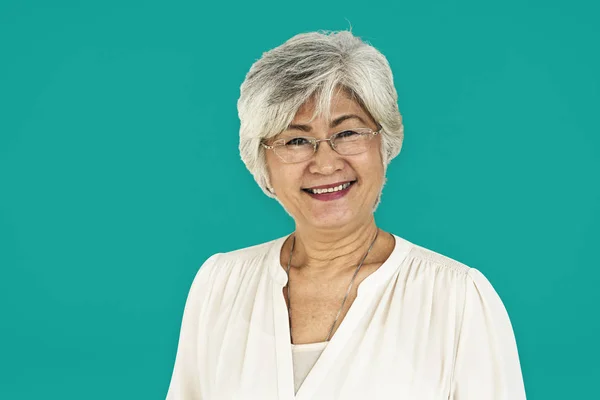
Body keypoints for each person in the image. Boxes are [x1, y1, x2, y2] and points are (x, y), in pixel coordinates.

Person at [166, 30, 527, 400]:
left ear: (383, 146)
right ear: (262, 163)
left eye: (348, 132)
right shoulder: (219, 285)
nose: (324, 164)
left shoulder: (457, 299)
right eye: (296, 140)